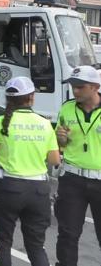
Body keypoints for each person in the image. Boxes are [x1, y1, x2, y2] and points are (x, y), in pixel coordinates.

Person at [0, 77, 60, 266]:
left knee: (2, 243)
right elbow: (55, 160)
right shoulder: (44, 123)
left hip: (8, 188)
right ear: (32, 97)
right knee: (36, 246)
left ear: (7, 98)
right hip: (39, 190)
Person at [54, 65, 101, 266]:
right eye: (73, 86)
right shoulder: (67, 108)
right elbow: (60, 144)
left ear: (95, 87)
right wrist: (61, 139)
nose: (75, 91)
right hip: (72, 180)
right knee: (67, 234)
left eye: (80, 87)